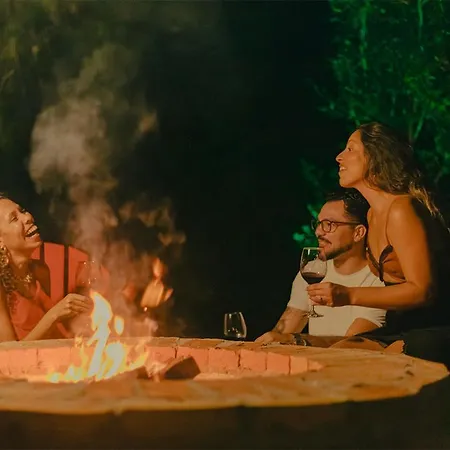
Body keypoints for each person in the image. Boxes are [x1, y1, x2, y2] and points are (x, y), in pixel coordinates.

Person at [307, 122, 450, 366]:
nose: (339, 157)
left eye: (350, 149)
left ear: (375, 157)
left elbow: (422, 290)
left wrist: (348, 294)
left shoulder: (402, 209)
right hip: (402, 326)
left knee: (359, 365)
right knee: (340, 353)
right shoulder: (372, 215)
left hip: (436, 325)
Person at [256, 189, 385, 345]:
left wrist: (297, 340)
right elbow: (282, 332)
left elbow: (353, 344)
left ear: (358, 233)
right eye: (318, 224)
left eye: (329, 225)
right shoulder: (313, 269)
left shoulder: (378, 278)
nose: (318, 232)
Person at [0, 193, 92, 341]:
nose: (27, 217)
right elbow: (8, 352)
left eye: (22, 211)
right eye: (14, 219)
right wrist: (54, 315)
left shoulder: (41, 269)